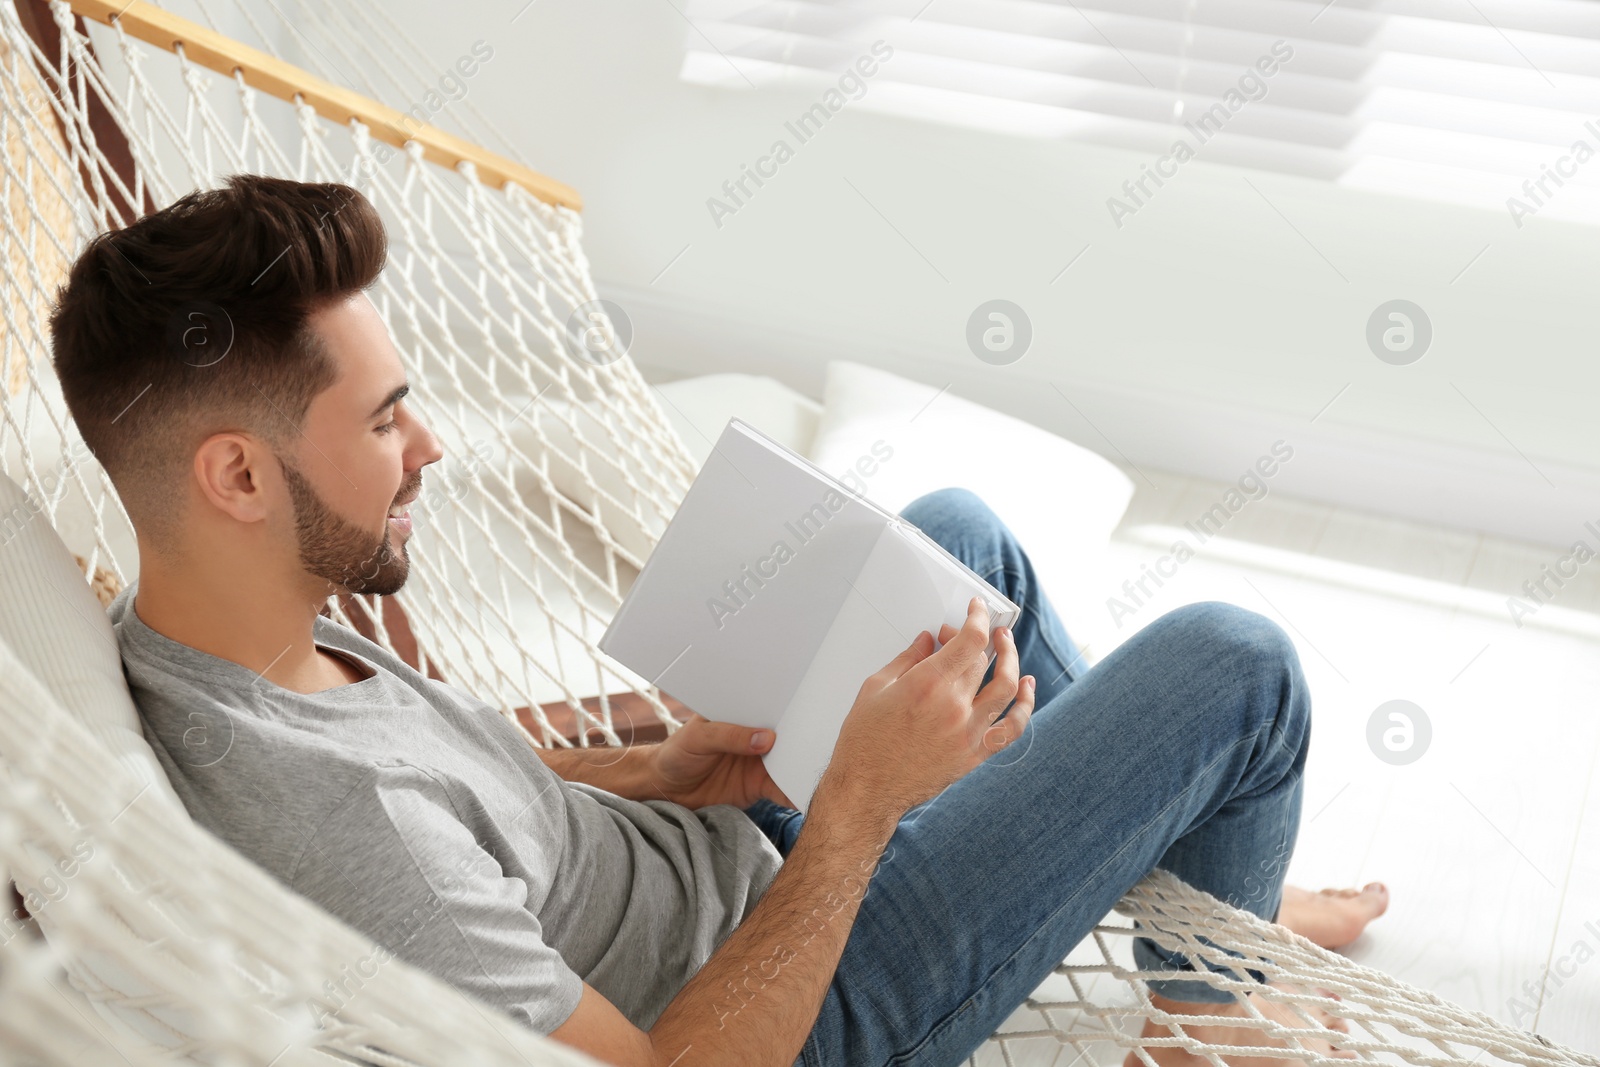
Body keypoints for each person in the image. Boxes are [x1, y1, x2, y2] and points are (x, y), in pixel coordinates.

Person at [49, 175, 1386, 1067]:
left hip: (733, 851)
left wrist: (657, 770)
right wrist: (858, 807)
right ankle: (1210, 1016)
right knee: (1239, 669)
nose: (434, 444)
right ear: (235, 476)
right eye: (386, 415)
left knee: (961, 540)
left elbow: (450, 802)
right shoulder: (328, 819)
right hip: (803, 995)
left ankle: (1212, 890)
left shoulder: (229, 640)